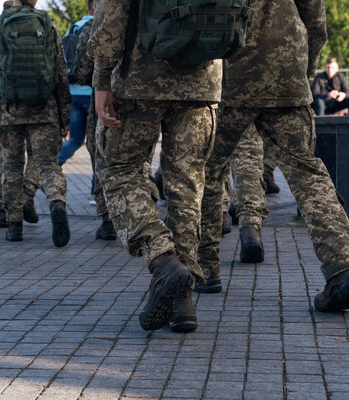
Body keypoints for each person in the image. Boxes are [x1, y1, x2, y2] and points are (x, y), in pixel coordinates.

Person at [198, 0, 349, 313]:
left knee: (209, 168)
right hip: (286, 71)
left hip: (227, 74)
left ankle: (206, 267)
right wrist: (303, 69)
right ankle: (344, 268)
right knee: (307, 173)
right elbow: (315, 19)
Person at [91, 0, 223, 332]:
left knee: (118, 169)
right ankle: (183, 302)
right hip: (203, 76)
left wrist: (102, 79)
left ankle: (163, 259)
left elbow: (110, 14)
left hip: (141, 76)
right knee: (187, 185)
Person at [0, 0, 72, 247]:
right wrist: (65, 115)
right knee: (48, 165)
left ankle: (14, 225)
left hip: (9, 111)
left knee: (10, 167)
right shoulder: (48, 24)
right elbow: (60, 73)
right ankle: (56, 203)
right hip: (45, 109)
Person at [0, 1, 41, 229]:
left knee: (7, 161)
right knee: (38, 156)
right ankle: (27, 193)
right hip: (39, 105)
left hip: (6, 108)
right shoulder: (41, 24)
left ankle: (3, 211)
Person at [75, 0, 117, 241]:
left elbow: (81, 71)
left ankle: (107, 221)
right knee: (137, 162)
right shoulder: (141, 17)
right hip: (138, 102)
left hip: (101, 102)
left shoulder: (91, 28)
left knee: (101, 159)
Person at [57, 0, 95, 166]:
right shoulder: (96, 26)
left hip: (74, 92)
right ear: (94, 5)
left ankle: (49, 169)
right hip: (92, 92)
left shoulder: (73, 27)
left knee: (75, 139)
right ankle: (98, 187)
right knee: (96, 143)